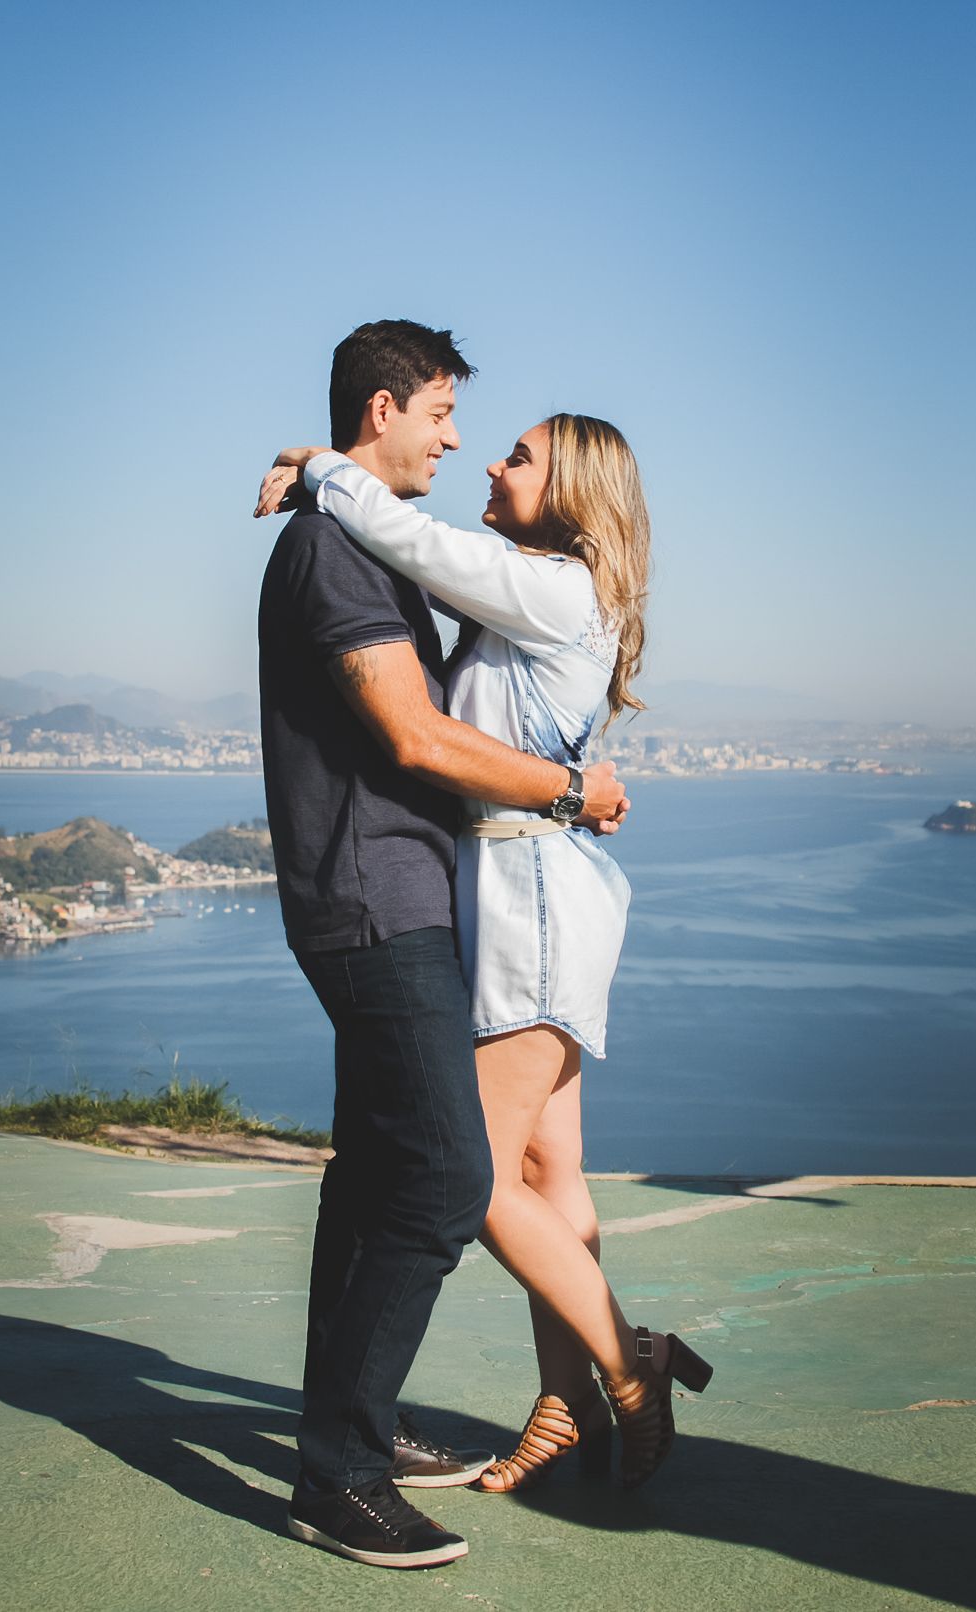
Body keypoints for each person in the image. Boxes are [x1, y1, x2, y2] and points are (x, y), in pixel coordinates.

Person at [256, 408, 713, 1502]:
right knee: (547, 1174)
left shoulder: (553, 585)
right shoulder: (536, 583)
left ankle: (626, 1355)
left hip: (531, 906)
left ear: (569, 492)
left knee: (465, 1173)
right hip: (535, 890)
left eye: (518, 455)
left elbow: (418, 546)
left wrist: (323, 469)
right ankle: (563, 1402)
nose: (491, 463)